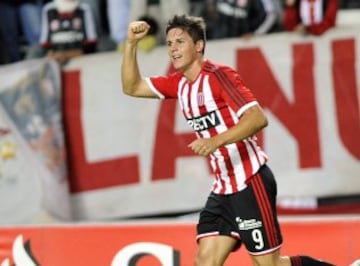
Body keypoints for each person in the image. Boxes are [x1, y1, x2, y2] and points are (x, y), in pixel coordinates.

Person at [121, 14, 338, 266]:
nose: (173, 49)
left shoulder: (219, 75)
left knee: (270, 265)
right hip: (223, 188)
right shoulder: (178, 84)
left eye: (180, 42)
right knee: (205, 261)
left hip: (249, 180)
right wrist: (130, 44)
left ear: (199, 45)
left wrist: (215, 141)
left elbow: (257, 118)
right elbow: (132, 87)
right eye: (169, 44)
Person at [39, 0, 97, 65]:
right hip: (55, 63)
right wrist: (53, 55)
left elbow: (91, 45)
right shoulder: (48, 10)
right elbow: (45, 46)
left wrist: (66, 55)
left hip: (82, 61)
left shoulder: (84, 8)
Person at [211, 0, 282, 40]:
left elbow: (270, 16)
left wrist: (256, 33)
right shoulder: (220, 3)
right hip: (223, 41)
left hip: (249, 40)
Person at [0, 0, 44, 64]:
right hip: (5, 3)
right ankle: (17, 70)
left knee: (37, 40)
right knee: (10, 44)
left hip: (29, 2)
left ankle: (38, 69)